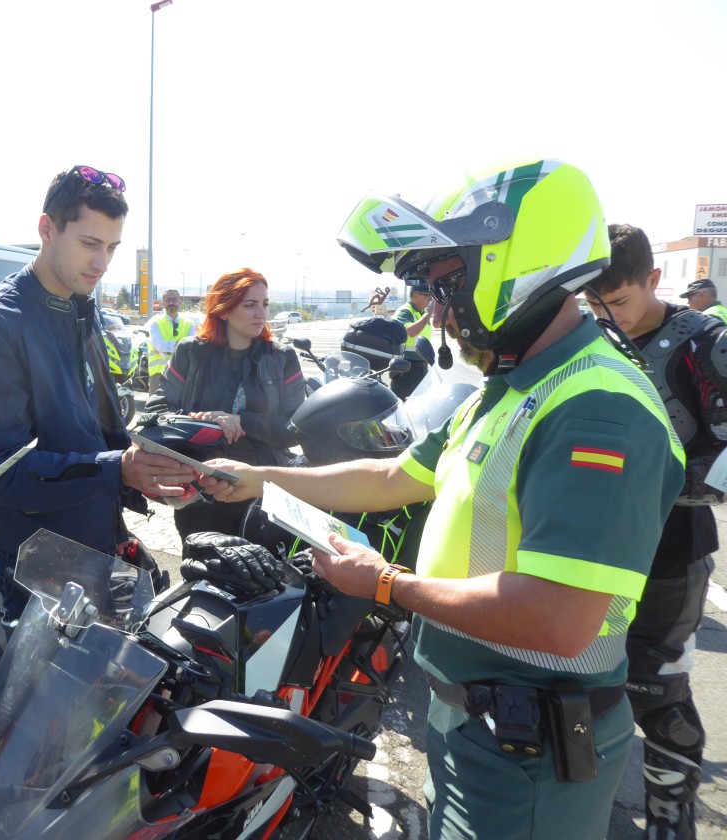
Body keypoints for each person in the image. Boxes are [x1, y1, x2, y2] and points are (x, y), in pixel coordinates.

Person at [200, 159, 685, 839]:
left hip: (531, 752)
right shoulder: (512, 385)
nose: (433, 307)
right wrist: (261, 479)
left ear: (518, 262)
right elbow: (395, 478)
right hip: (475, 723)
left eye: (444, 283)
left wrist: (388, 585)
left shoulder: (595, 406)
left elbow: (559, 617)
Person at [0, 165, 193, 627]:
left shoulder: (81, 309)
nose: (102, 263)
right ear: (46, 229)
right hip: (37, 561)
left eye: (112, 247)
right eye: (89, 244)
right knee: (49, 696)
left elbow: (93, 432)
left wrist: (147, 473)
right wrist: (115, 470)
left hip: (96, 540)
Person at [584, 223, 727, 840]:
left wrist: (642, 485)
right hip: (589, 544)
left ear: (654, 280)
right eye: (594, 303)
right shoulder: (591, 339)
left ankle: (672, 822)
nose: (607, 314)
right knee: (582, 676)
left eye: (618, 301)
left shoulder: (707, 344)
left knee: (656, 688)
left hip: (672, 548)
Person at [146, 268, 304, 544]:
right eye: (250, 305)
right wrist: (203, 421)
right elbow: (155, 414)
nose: (262, 314)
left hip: (264, 488)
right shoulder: (190, 352)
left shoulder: (282, 357)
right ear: (223, 310)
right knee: (206, 571)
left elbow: (294, 428)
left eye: (265, 304)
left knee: (268, 577)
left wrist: (242, 421)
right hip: (203, 489)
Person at [146, 287, 195, 395]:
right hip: (158, 374)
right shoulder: (155, 323)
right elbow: (159, 346)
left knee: (180, 410)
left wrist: (170, 346)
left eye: (174, 299)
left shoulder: (189, 323)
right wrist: (181, 345)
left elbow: (192, 347)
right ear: (163, 302)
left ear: (180, 302)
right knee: (155, 409)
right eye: (168, 300)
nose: (171, 302)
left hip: (182, 373)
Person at [389, 281, 434, 399]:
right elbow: (410, 332)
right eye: (426, 295)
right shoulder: (405, 311)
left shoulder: (422, 313)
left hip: (422, 367)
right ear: (415, 296)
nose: (429, 299)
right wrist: (429, 314)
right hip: (406, 369)